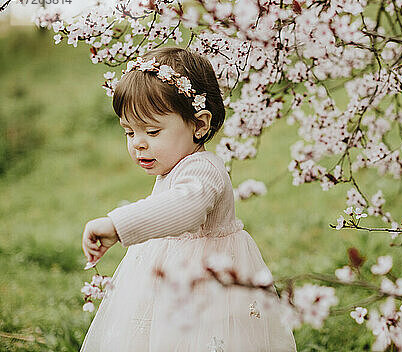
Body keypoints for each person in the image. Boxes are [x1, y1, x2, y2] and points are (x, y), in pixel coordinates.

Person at [80, 47, 296, 352]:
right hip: (169, 275)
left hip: (208, 285)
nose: (138, 144)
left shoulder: (205, 169)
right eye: (129, 132)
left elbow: (187, 207)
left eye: (152, 131)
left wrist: (118, 224)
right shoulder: (174, 165)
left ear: (199, 125)